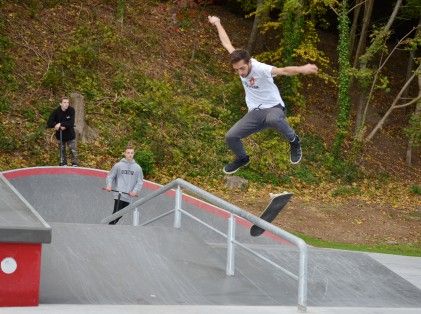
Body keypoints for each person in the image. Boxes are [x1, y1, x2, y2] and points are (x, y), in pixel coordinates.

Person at [208, 16, 319, 174]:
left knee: (273, 119)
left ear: (249, 63)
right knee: (230, 136)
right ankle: (242, 158)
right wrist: (218, 22)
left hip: (274, 108)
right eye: (237, 70)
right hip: (255, 113)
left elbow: (283, 71)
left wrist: (302, 69)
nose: (240, 73)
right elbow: (227, 43)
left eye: (242, 69)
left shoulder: (261, 68)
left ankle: (294, 141)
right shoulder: (239, 60)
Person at [105, 145, 144, 225]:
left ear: (133, 154)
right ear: (125, 154)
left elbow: (140, 181)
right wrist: (109, 185)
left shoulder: (138, 168)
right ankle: (109, 228)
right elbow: (110, 176)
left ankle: (109, 227)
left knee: (120, 214)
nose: (130, 154)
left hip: (129, 196)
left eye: (131, 153)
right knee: (116, 213)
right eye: (128, 153)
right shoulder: (118, 165)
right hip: (119, 194)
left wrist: (135, 191)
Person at [47, 96, 78, 166]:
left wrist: (61, 124)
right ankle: (64, 164)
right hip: (60, 136)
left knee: (73, 151)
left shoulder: (71, 110)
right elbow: (49, 123)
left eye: (67, 102)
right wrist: (56, 125)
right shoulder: (56, 111)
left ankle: (75, 164)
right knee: (62, 151)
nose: (66, 104)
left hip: (70, 135)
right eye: (64, 102)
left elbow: (71, 122)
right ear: (60, 103)